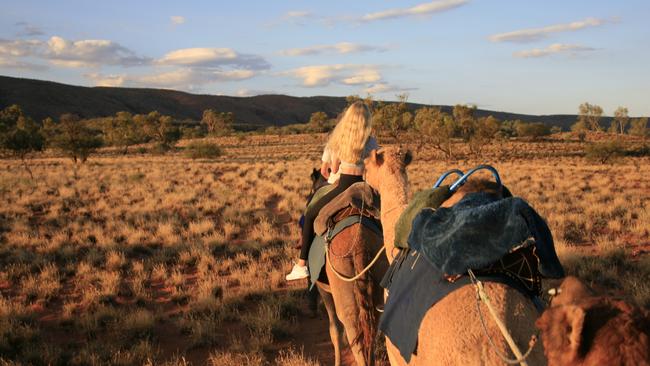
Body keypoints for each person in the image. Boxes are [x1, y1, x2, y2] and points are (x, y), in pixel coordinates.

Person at [286, 101, 378, 281]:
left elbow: (333, 169)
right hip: (364, 188)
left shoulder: (340, 141)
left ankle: (302, 264)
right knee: (388, 220)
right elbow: (375, 167)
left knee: (311, 213)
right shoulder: (371, 142)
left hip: (344, 186)